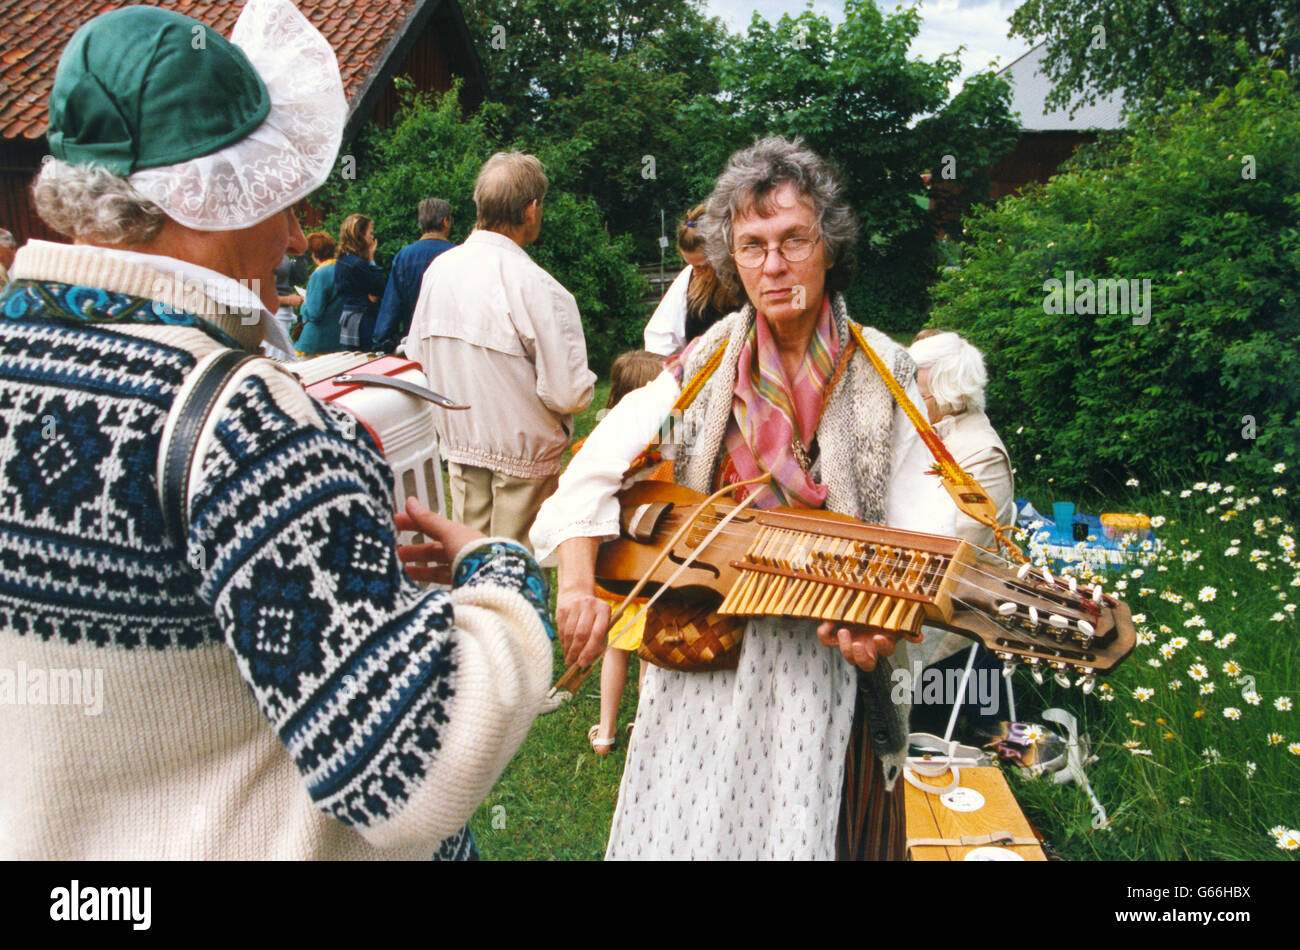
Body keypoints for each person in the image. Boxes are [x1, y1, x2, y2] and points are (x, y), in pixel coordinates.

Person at [0, 0, 552, 861]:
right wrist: (500, 574)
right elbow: (415, 763)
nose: (295, 231)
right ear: (205, 194)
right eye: (275, 193)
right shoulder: (236, 415)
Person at [531, 136, 956, 860]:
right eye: (753, 245)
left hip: (823, 672)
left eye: (795, 239)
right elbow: (589, 472)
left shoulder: (887, 368)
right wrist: (577, 584)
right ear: (732, 257)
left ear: (829, 245)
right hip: (704, 661)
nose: (775, 265)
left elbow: (936, 529)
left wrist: (889, 624)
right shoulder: (701, 363)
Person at [406, 151, 595, 550]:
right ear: (531, 209)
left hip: (461, 445)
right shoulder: (540, 288)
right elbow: (570, 394)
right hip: (522, 457)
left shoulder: (439, 271)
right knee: (515, 570)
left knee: (469, 560)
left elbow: (415, 360)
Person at [905, 330, 1018, 735]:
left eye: (915, 385)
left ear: (945, 387)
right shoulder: (936, 430)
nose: (909, 398)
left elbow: (955, 553)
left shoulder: (980, 452)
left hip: (946, 613)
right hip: (905, 585)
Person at [577, 350, 669, 755]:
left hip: (612, 576)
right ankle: (646, 729)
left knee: (616, 652)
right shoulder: (667, 460)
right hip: (650, 577)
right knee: (647, 656)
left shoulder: (593, 452)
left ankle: (607, 730)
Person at [643, 204, 740, 357]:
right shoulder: (688, 278)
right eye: (690, 264)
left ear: (722, 257)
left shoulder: (746, 282)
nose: (695, 273)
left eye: (703, 267)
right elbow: (661, 340)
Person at [372, 198, 455, 352]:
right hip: (450, 341)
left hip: (414, 340)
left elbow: (391, 306)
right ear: (445, 222)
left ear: (421, 223)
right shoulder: (456, 254)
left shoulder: (405, 256)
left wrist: (382, 341)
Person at [334, 213, 386, 351]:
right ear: (360, 235)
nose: (372, 237)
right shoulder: (358, 264)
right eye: (370, 232)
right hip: (363, 320)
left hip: (349, 319)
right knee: (368, 360)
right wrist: (371, 259)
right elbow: (381, 287)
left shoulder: (342, 259)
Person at [296, 230, 344, 355]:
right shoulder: (342, 269)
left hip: (315, 342)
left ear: (313, 253)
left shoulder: (319, 274)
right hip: (337, 339)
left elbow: (314, 313)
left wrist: (305, 302)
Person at [264, 248, 309, 360]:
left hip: (284, 315)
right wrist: (286, 300)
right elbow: (251, 292)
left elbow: (299, 278)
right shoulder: (255, 252)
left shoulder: (280, 248)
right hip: (269, 314)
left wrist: (300, 255)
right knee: (280, 362)